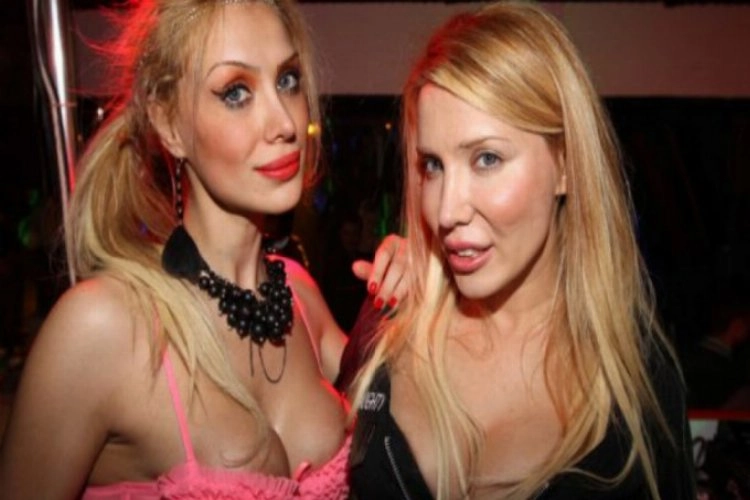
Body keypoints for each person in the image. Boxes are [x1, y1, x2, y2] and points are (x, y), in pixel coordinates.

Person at [0, 0, 406, 498]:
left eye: (287, 80)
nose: (284, 122)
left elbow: (414, 423)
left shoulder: (299, 296)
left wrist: (421, 288)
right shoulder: (103, 325)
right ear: (169, 125)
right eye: (236, 92)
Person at [347, 2, 697, 499]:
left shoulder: (637, 381)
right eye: (433, 166)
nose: (446, 211)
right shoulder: (386, 335)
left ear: (565, 165)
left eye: (486, 159)